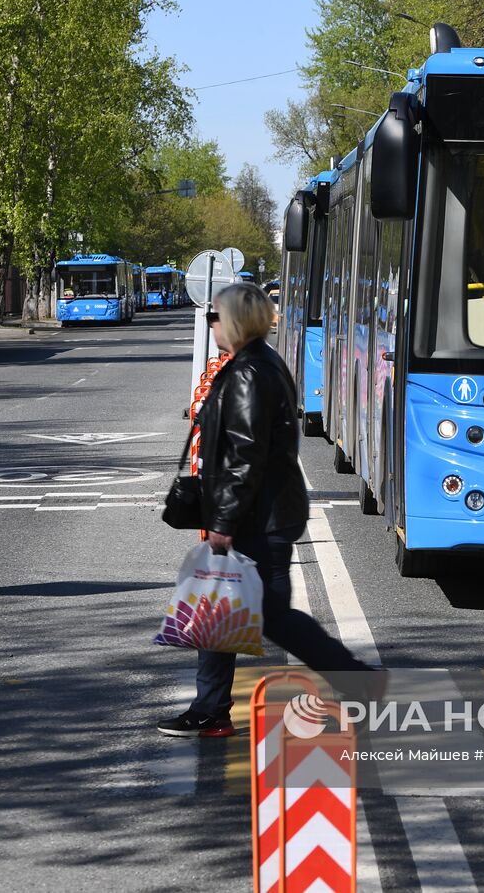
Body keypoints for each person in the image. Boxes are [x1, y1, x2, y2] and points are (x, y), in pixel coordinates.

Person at [157, 282, 376, 738]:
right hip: (268, 511)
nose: (210, 324)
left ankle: (358, 681)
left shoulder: (248, 373)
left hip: (260, 517)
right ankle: (211, 709)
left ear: (235, 320)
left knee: (271, 615)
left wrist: (223, 523)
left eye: (214, 316)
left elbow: (244, 454)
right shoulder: (256, 363)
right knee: (221, 608)